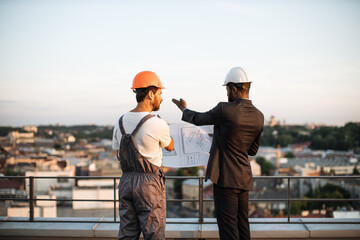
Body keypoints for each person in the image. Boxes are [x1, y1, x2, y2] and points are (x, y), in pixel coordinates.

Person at [172, 67, 264, 240]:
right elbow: (252, 150)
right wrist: (223, 135)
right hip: (244, 179)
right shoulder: (259, 116)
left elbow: (199, 119)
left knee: (228, 228)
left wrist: (183, 109)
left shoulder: (225, 109)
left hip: (225, 179)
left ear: (233, 88)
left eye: (227, 89)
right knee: (243, 226)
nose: (227, 93)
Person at [112, 71, 174, 240]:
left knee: (127, 233)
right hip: (149, 185)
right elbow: (170, 146)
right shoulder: (157, 123)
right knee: (154, 233)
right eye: (160, 93)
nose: (161, 98)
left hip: (126, 182)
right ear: (150, 93)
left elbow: (119, 156)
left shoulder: (119, 122)